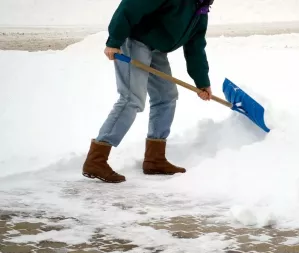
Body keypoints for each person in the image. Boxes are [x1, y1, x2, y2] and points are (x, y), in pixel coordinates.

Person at [82, 0, 214, 183]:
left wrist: (202, 81)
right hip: (134, 41)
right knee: (131, 99)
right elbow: (130, 6)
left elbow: (195, 46)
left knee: (166, 97)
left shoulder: (201, 8)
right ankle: (96, 160)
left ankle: (155, 159)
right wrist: (114, 40)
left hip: (156, 49)